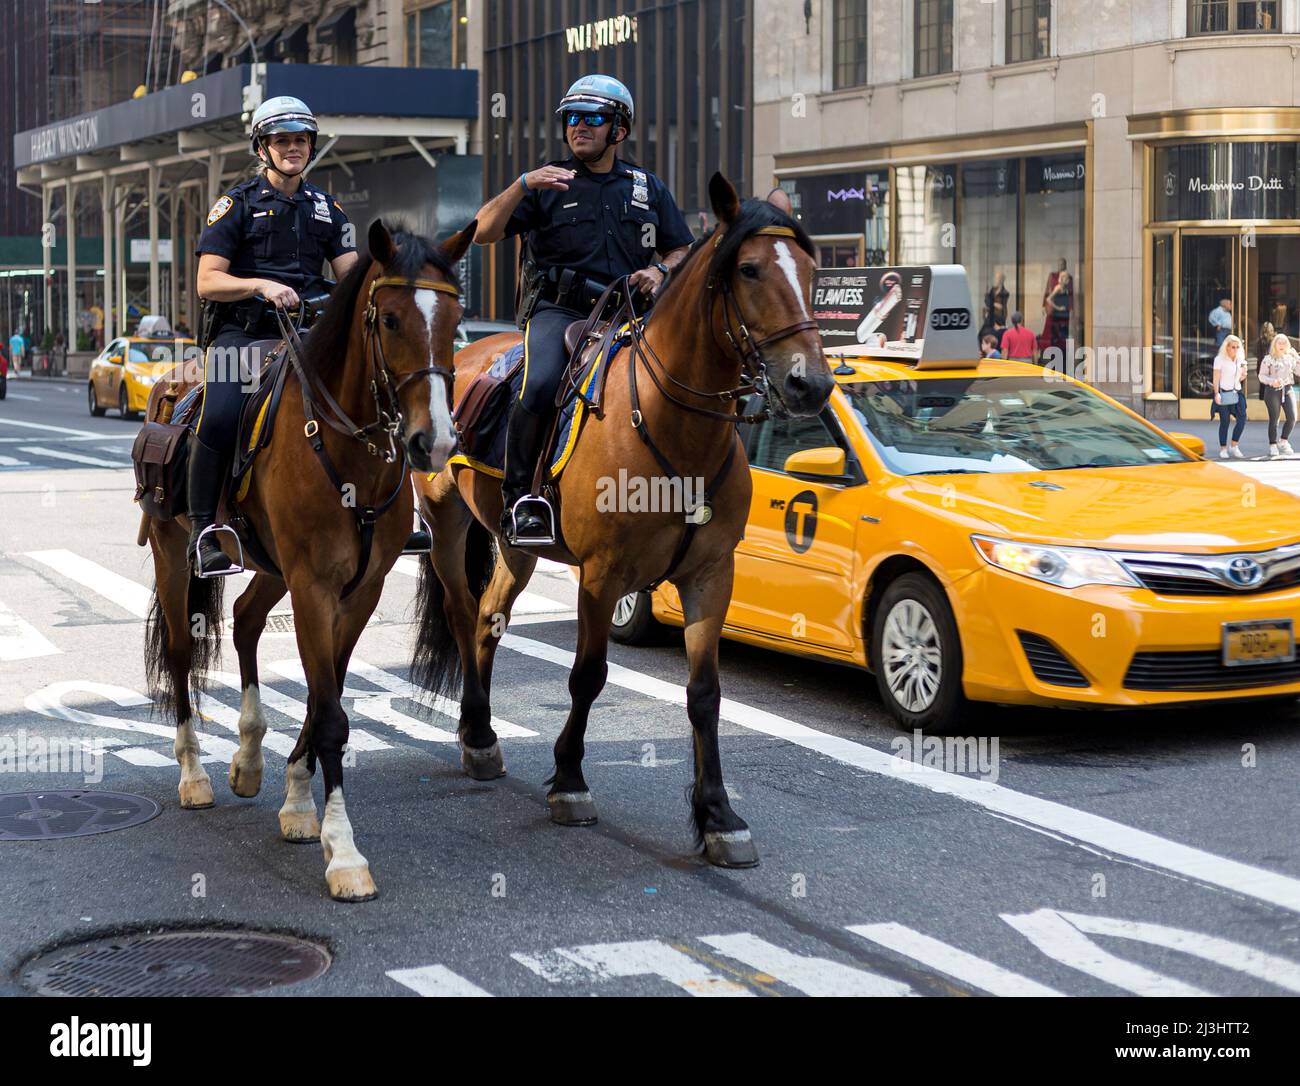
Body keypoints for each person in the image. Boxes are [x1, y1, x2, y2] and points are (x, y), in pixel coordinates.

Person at [472, 74, 695, 545]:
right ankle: (520, 502)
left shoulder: (646, 187)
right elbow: (482, 231)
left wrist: (661, 272)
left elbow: (681, 250)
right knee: (539, 384)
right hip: (560, 312)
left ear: (619, 129)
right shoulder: (546, 182)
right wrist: (520, 184)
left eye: (592, 118)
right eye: (571, 118)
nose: (579, 127)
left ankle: (686, 490)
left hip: (631, 314)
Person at [189, 95, 359, 575]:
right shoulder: (235, 205)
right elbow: (208, 281)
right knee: (220, 413)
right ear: (262, 148)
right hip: (240, 336)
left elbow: (350, 275)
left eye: (300, 140)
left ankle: (394, 513)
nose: (293, 148)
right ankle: (205, 529)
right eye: (282, 140)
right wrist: (260, 284)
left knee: (376, 394)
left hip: (307, 334)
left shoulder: (328, 209)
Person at [1259, 333, 1298, 458]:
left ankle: (1283, 441)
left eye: (1284, 343)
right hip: (1272, 391)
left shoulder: (1290, 358)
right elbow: (1261, 376)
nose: (1282, 345)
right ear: (1275, 344)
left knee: (1292, 417)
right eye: (1279, 342)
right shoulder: (1268, 359)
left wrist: (1297, 357)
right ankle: (1273, 444)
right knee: (1274, 419)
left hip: (1288, 389)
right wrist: (1272, 381)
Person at [1212, 334, 1248, 459]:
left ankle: (1234, 445)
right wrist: (1216, 393)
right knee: (1225, 422)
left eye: (1238, 347)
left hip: (1237, 392)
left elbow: (1242, 377)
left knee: (1242, 419)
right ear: (1226, 347)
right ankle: (1223, 448)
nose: (1236, 349)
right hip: (1223, 393)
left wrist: (1243, 375)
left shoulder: (1241, 359)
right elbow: (1216, 378)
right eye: (1233, 347)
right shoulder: (1219, 359)